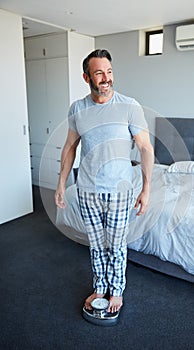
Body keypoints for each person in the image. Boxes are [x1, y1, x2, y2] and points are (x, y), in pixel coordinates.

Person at [55, 49, 154, 314]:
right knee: (97, 244)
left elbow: (145, 148)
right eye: (99, 73)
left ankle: (117, 291)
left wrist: (146, 189)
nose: (106, 78)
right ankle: (100, 286)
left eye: (109, 72)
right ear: (86, 77)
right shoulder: (78, 108)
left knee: (117, 246)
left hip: (120, 191)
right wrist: (61, 183)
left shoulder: (129, 106)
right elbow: (69, 148)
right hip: (87, 190)